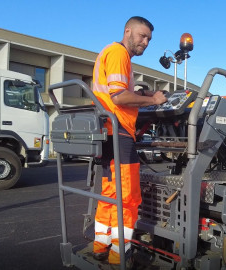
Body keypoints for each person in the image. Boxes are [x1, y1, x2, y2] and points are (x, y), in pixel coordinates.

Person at [90, 16, 167, 266]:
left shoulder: (111, 53)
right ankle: (119, 252)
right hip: (119, 131)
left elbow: (121, 92)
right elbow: (120, 98)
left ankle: (102, 244)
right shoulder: (118, 53)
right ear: (128, 31)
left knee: (110, 193)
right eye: (141, 36)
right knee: (129, 196)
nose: (145, 42)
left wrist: (142, 93)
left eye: (149, 39)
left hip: (107, 131)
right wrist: (154, 101)